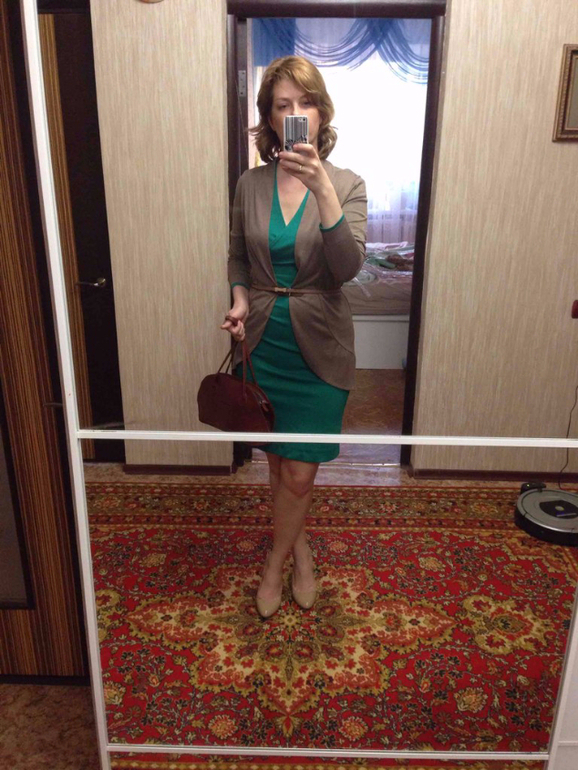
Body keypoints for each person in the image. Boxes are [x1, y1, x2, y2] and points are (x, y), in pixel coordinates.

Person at [221, 56, 367, 619]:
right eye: (282, 105)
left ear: (321, 111)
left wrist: (321, 188)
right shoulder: (250, 183)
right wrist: (239, 298)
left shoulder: (348, 183)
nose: (294, 113)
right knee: (281, 465)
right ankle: (300, 551)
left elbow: (347, 267)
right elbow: (238, 255)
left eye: (305, 102)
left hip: (321, 346)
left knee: (301, 471)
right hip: (262, 342)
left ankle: (274, 564)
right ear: (269, 117)